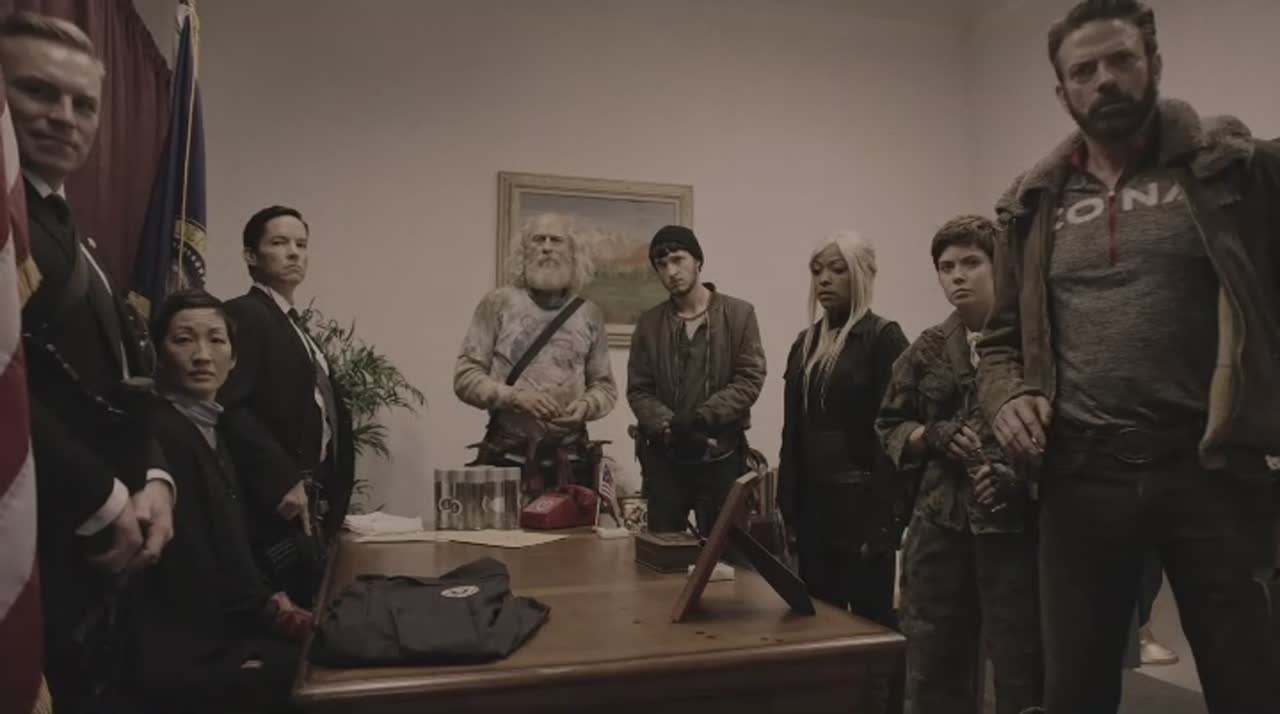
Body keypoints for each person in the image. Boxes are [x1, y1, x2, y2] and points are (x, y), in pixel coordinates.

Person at [975, 1, 1280, 711]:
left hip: (1211, 469)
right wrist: (1007, 397)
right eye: (1084, 70)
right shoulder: (1033, 205)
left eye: (1121, 60)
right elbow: (998, 346)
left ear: (1154, 65)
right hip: (1081, 475)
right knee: (1075, 692)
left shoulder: (1234, 174)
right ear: (1063, 93)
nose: (1105, 80)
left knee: (1250, 685)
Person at [1, 12, 176, 711]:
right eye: (38, 92)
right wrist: (102, 496)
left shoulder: (76, 236)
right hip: (32, 542)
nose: (64, 117)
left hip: (94, 553)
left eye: (83, 103)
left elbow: (128, 380)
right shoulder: (10, 228)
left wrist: (155, 476)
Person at [877, 216, 1041, 714]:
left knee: (1023, 667)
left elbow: (1067, 434)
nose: (958, 276)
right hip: (939, 525)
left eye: (971, 263)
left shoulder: (1034, 344)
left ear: (1000, 266)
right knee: (932, 661)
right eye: (946, 267)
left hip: (1016, 530)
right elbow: (889, 424)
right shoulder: (927, 348)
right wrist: (931, 435)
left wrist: (1020, 479)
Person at [129, 290, 307, 714]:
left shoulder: (214, 429)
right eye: (184, 340)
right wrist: (269, 614)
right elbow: (193, 566)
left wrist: (272, 600)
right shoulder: (159, 435)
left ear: (234, 357)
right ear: (158, 354)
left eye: (216, 340)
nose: (202, 356)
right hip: (191, 651)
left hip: (228, 627)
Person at [776, 231, 906, 713]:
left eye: (837, 269)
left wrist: (887, 521)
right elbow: (793, 431)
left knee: (873, 622)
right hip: (814, 508)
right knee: (819, 620)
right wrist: (787, 505)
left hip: (863, 506)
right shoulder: (805, 343)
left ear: (862, 275)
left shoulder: (883, 338)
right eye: (817, 271)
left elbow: (893, 432)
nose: (825, 280)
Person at [220, 205, 355, 607]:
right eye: (279, 243)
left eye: (301, 244)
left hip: (312, 495)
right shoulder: (245, 313)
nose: (294, 252)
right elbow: (230, 405)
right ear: (251, 255)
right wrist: (280, 478)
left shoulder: (294, 324)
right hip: (273, 501)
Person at [455, 212, 616, 496]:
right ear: (524, 250)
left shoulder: (589, 314)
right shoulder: (498, 303)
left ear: (573, 251)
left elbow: (604, 387)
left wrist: (585, 407)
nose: (546, 247)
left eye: (556, 240)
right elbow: (465, 378)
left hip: (572, 462)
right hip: (506, 459)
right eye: (538, 239)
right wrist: (515, 397)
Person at [628, 225, 765, 534]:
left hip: (721, 456)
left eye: (678, 259)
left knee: (726, 552)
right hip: (665, 460)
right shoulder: (649, 324)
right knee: (662, 551)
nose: (671, 271)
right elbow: (639, 389)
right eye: (661, 265)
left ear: (698, 261)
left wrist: (702, 418)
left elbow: (750, 378)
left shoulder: (739, 314)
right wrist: (670, 425)